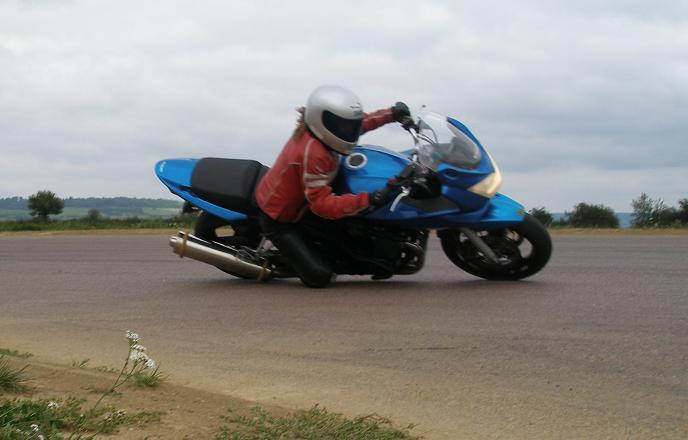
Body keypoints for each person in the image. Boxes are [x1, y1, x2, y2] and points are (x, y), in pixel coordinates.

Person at [254, 84, 411, 287]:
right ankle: (289, 259)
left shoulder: (329, 133)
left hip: (303, 198)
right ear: (322, 121)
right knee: (320, 276)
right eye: (345, 125)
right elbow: (320, 205)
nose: (351, 130)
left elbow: (361, 124)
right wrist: (369, 199)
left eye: (349, 124)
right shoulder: (314, 152)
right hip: (280, 217)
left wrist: (392, 114)